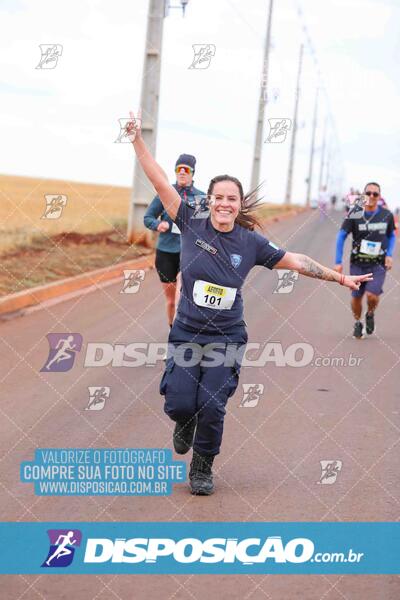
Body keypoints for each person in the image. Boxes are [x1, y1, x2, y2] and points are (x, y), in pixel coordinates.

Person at [127, 111, 372, 496]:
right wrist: (137, 140)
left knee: (212, 404)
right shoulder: (190, 219)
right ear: (209, 200)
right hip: (187, 332)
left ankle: (203, 467)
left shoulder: (252, 242)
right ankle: (182, 420)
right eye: (219, 198)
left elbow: (298, 261)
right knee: (179, 402)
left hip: (226, 336)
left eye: (232, 199)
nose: (225, 204)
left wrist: (340, 277)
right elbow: (158, 179)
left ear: (240, 205)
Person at [144, 154, 206, 328]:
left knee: (181, 297)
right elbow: (147, 217)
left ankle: (183, 335)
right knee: (171, 302)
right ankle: (173, 331)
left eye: (187, 170)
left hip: (189, 253)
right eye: (179, 169)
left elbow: (205, 228)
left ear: (193, 173)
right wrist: (158, 224)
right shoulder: (165, 193)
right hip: (165, 252)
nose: (182, 173)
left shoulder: (200, 198)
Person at [334, 182, 396, 338]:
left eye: (375, 194)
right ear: (363, 194)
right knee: (356, 297)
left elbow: (392, 236)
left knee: (371, 296)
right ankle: (357, 322)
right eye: (368, 193)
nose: (371, 196)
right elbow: (341, 236)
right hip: (357, 263)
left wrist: (389, 254)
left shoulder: (386, 214)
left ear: (379, 196)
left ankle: (370, 314)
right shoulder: (355, 212)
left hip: (378, 264)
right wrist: (338, 262)